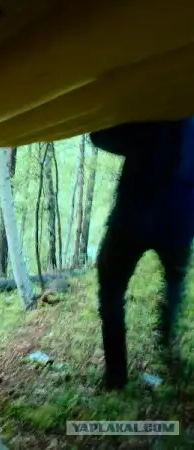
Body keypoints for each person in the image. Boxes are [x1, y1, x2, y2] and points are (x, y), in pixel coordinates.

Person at [90, 118, 194, 390]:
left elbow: (101, 137)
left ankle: (116, 375)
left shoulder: (149, 108)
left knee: (111, 290)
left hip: (133, 216)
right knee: (174, 279)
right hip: (179, 219)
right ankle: (167, 341)